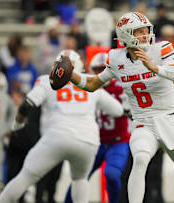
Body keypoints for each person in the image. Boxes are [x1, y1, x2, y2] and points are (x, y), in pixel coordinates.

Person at [52, 12, 174, 203]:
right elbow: (92, 84)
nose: (145, 35)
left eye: (146, 31)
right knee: (140, 159)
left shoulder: (159, 50)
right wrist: (71, 76)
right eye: (139, 31)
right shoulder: (117, 59)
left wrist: (154, 67)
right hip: (143, 123)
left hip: (169, 120)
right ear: (126, 35)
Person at [0, 50, 124, 203]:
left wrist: (17, 124)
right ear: (80, 66)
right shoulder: (90, 80)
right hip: (87, 140)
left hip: (56, 136)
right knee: (80, 179)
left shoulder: (46, 81)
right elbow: (118, 110)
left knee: (25, 176)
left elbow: (27, 104)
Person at [64, 52, 131, 203]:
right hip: (95, 142)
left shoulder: (121, 87)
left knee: (112, 174)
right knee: (79, 177)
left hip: (118, 141)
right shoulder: (85, 87)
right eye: (96, 70)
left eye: (103, 69)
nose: (100, 74)